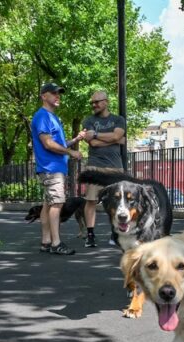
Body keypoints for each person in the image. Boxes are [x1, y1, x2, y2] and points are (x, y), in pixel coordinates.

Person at [32, 82, 85, 255]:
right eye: (53, 93)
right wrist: (71, 152)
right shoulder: (42, 117)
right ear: (44, 96)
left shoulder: (53, 118)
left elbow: (58, 144)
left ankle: (46, 241)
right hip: (50, 168)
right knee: (57, 203)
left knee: (48, 204)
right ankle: (56, 243)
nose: (57, 96)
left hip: (54, 167)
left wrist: (76, 140)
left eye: (58, 93)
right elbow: (48, 144)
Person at [81, 90, 127, 248]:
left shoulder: (118, 119)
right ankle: (90, 235)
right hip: (95, 166)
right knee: (91, 200)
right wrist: (115, 139)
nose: (94, 105)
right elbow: (93, 143)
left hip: (115, 167)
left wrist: (96, 135)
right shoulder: (88, 121)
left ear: (106, 102)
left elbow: (117, 136)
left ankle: (115, 234)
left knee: (118, 202)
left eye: (97, 102)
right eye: (92, 102)